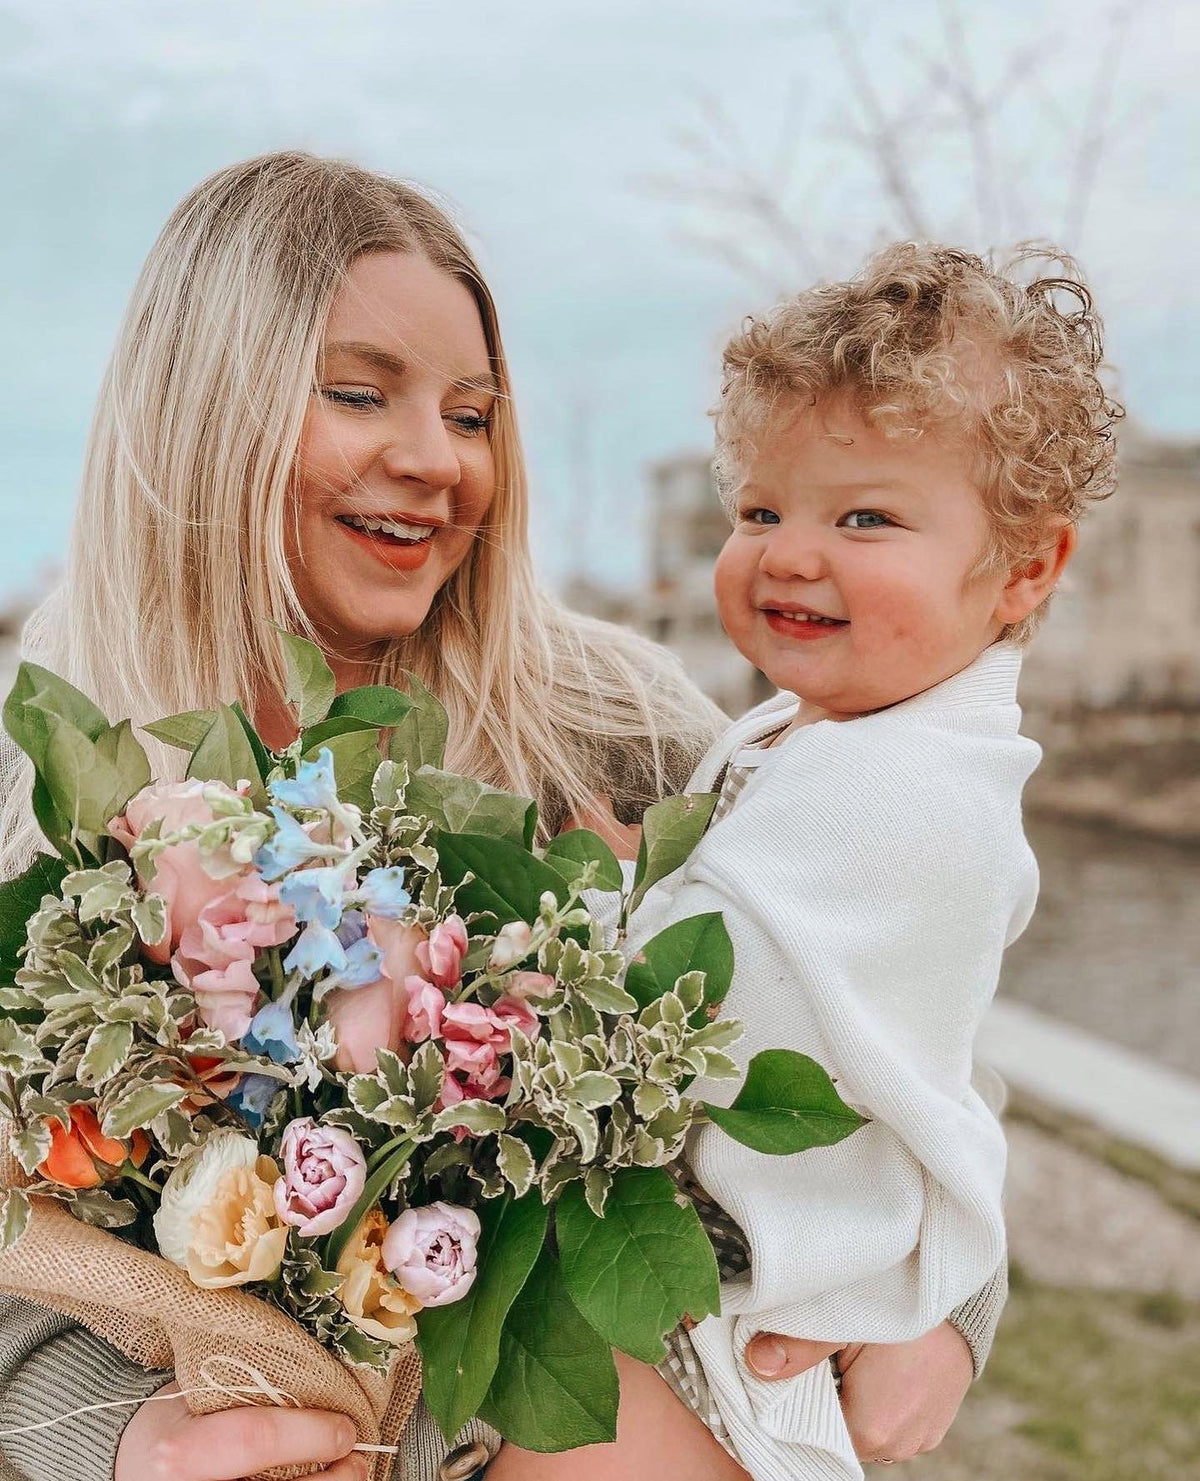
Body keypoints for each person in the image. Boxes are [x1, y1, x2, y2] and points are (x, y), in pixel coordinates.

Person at [0, 156, 1000, 1481]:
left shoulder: (612, 720)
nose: (436, 460)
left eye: (471, 414)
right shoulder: (45, 779)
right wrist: (121, 1439)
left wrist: (951, 1304)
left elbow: (902, 990)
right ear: (205, 406)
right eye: (360, 394)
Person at [486, 242, 1121, 1481]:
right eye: (760, 511)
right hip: (734, 1305)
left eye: (865, 517)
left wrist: (592, 892)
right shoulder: (832, 731)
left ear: (1025, 567)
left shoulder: (906, 788)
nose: (787, 552)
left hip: (732, 1325)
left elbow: (701, 1000)